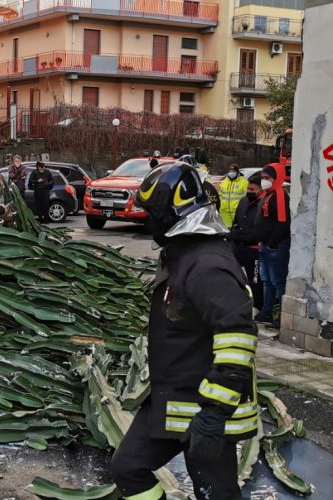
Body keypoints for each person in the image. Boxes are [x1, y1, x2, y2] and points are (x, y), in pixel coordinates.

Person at [111, 162, 258, 500]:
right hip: (174, 400)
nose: (149, 223)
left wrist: (213, 413)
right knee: (128, 468)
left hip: (206, 411)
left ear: (170, 215)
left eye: (152, 215)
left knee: (215, 493)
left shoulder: (207, 265)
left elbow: (239, 337)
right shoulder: (187, 255)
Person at [254, 163, 291, 329]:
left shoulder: (280, 194)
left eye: (267, 178)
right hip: (265, 245)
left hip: (275, 247)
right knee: (266, 281)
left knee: (277, 282)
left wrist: (273, 243)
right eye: (262, 178)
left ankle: (280, 316)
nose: (264, 181)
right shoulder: (267, 195)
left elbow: (282, 222)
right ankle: (266, 312)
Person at [229, 172, 264, 311]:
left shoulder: (262, 204)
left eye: (252, 189)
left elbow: (260, 230)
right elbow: (236, 221)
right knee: (232, 277)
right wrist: (233, 234)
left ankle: (257, 308)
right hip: (238, 247)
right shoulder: (244, 201)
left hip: (254, 250)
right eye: (248, 189)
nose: (249, 191)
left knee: (255, 282)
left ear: (260, 189)